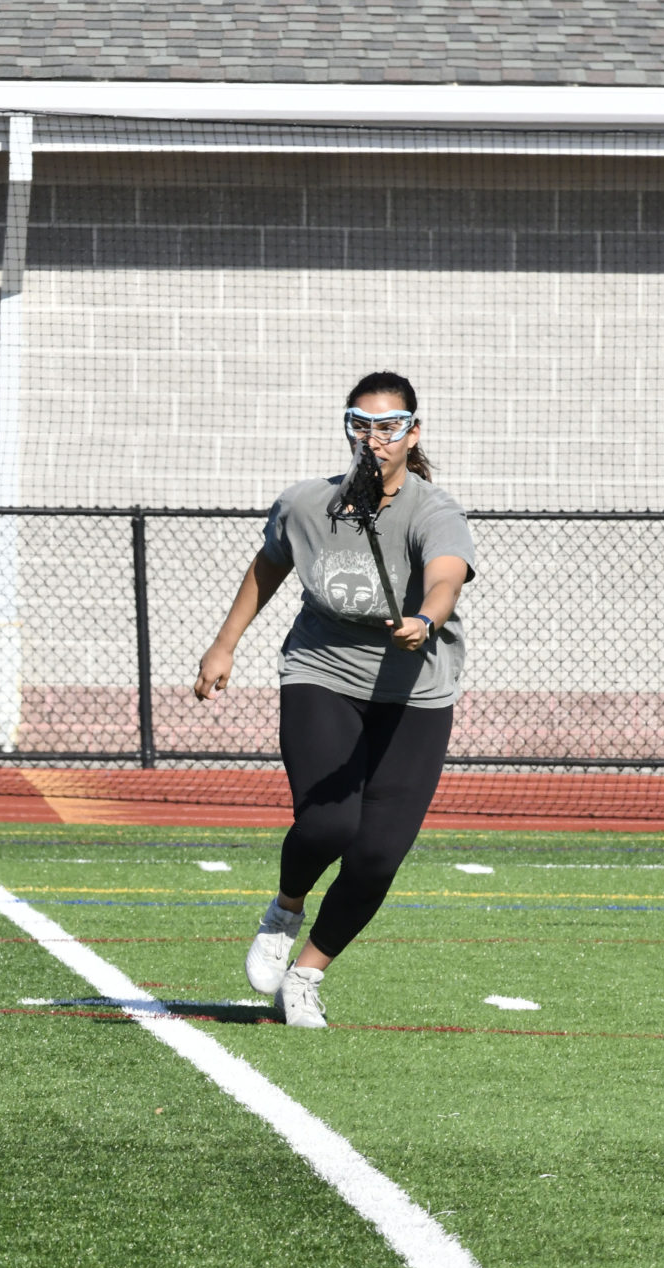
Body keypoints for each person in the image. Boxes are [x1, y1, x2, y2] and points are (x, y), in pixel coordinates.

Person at [192, 371, 477, 1030]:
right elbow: (269, 565)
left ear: (413, 433)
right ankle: (286, 907)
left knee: (378, 852)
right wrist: (223, 645)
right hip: (321, 672)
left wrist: (426, 620)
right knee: (327, 825)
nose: (375, 438)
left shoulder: (435, 510)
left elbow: (446, 576)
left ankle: (307, 973)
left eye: (390, 425)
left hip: (416, 692)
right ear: (347, 427)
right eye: (362, 423)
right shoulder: (303, 504)